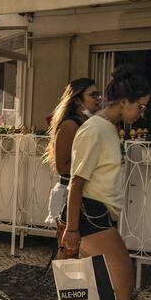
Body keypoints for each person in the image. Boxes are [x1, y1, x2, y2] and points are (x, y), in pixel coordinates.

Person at [60, 65, 151, 300]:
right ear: (123, 101)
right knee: (122, 283)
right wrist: (72, 230)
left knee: (86, 282)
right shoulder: (96, 129)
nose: (141, 113)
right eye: (139, 106)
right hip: (92, 215)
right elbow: (76, 181)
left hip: (94, 214)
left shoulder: (106, 129)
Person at [45, 79, 101, 226]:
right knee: (70, 246)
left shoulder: (89, 122)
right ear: (77, 100)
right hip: (73, 196)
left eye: (99, 94)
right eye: (93, 95)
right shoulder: (70, 125)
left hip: (88, 194)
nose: (98, 98)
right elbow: (63, 167)